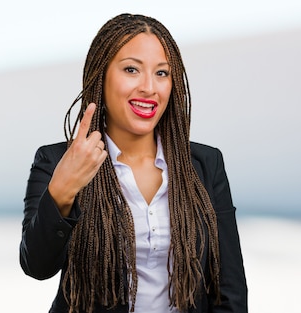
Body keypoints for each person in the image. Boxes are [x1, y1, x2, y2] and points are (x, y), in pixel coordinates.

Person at [20, 13, 247, 313]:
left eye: (162, 73)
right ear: (100, 76)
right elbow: (36, 265)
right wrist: (62, 190)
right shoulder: (54, 161)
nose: (149, 87)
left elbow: (229, 287)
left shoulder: (206, 165)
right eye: (131, 70)